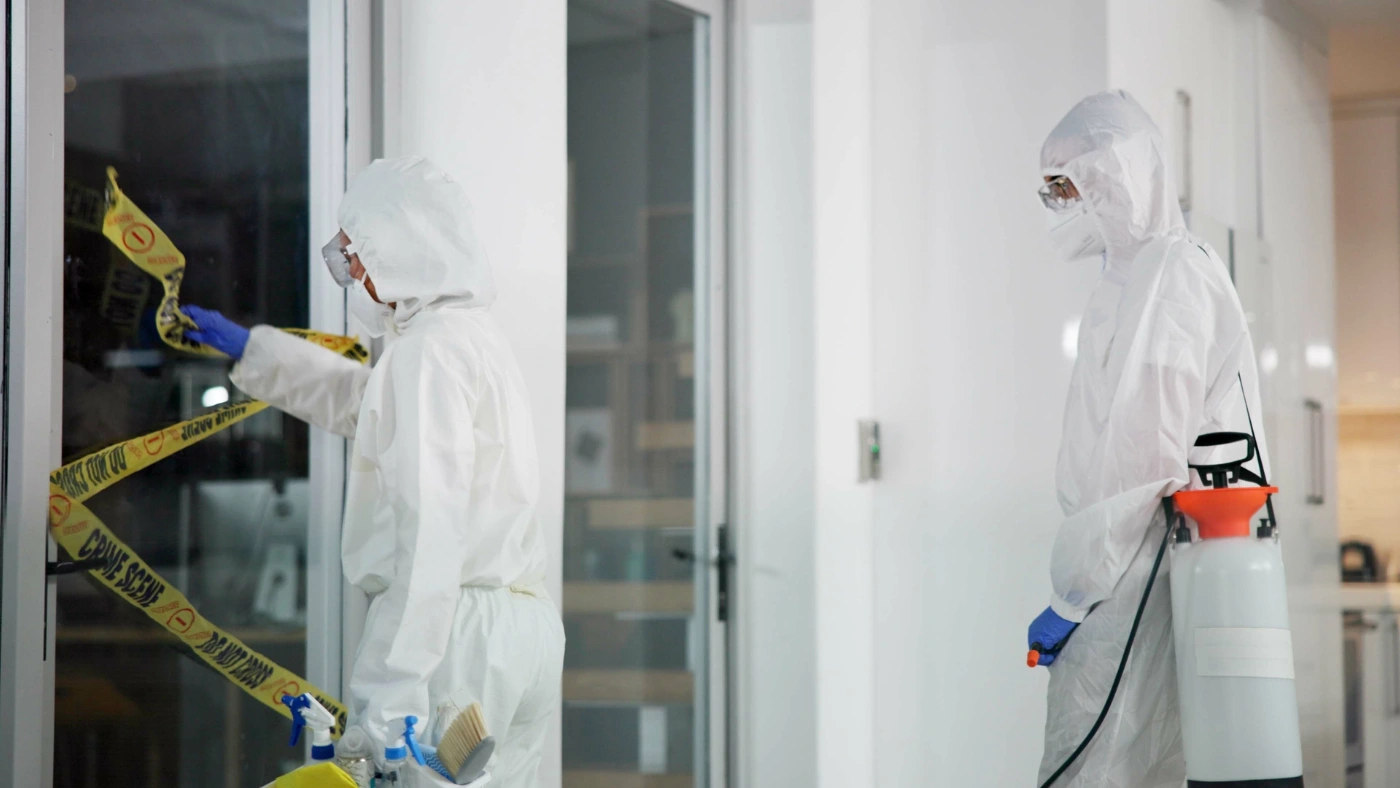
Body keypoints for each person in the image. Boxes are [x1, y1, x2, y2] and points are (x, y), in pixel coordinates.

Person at [184, 156, 564, 787]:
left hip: (453, 641)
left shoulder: (428, 355)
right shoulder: (472, 342)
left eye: (357, 258)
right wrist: (254, 350)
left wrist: (392, 697)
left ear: (403, 254)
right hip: (521, 635)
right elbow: (367, 407)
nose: (352, 276)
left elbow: (431, 531)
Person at [1027, 91, 1269, 786]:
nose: (1060, 205)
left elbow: (1141, 455)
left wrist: (1075, 596)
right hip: (1141, 564)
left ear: (1116, 175)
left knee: (1098, 766)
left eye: (1067, 186)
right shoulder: (1135, 278)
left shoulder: (1170, 276)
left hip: (1138, 569)